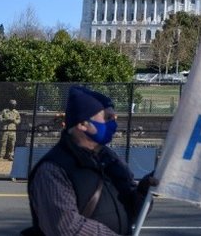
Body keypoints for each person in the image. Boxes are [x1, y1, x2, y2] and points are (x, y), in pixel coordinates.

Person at [24, 85, 156, 235]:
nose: (114, 123)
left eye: (114, 118)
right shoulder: (53, 170)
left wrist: (142, 192)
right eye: (107, 118)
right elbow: (65, 228)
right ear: (82, 124)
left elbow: (131, 213)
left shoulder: (112, 160)